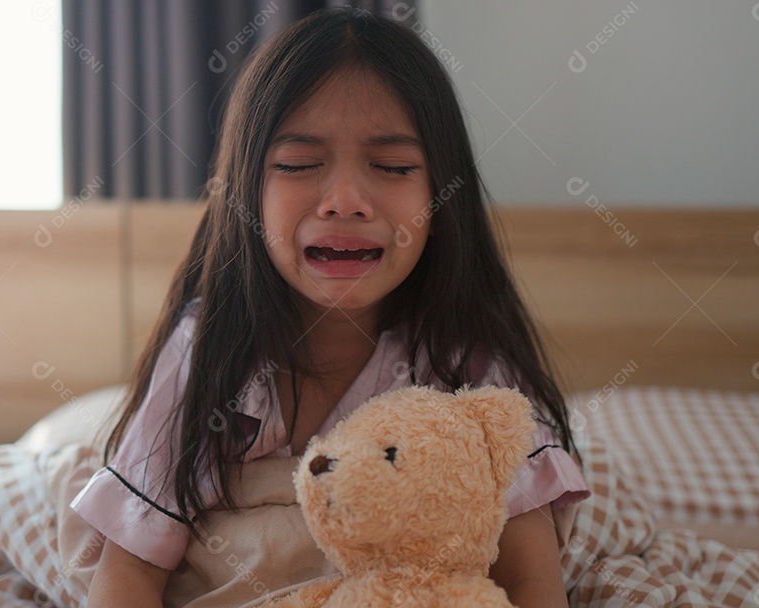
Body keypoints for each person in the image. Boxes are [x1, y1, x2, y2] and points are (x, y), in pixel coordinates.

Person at [72, 8, 589, 607]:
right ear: (247, 190)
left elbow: (530, 580)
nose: (345, 200)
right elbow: (128, 570)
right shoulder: (207, 349)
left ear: (443, 196)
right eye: (297, 165)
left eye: (392, 167)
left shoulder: (467, 364)